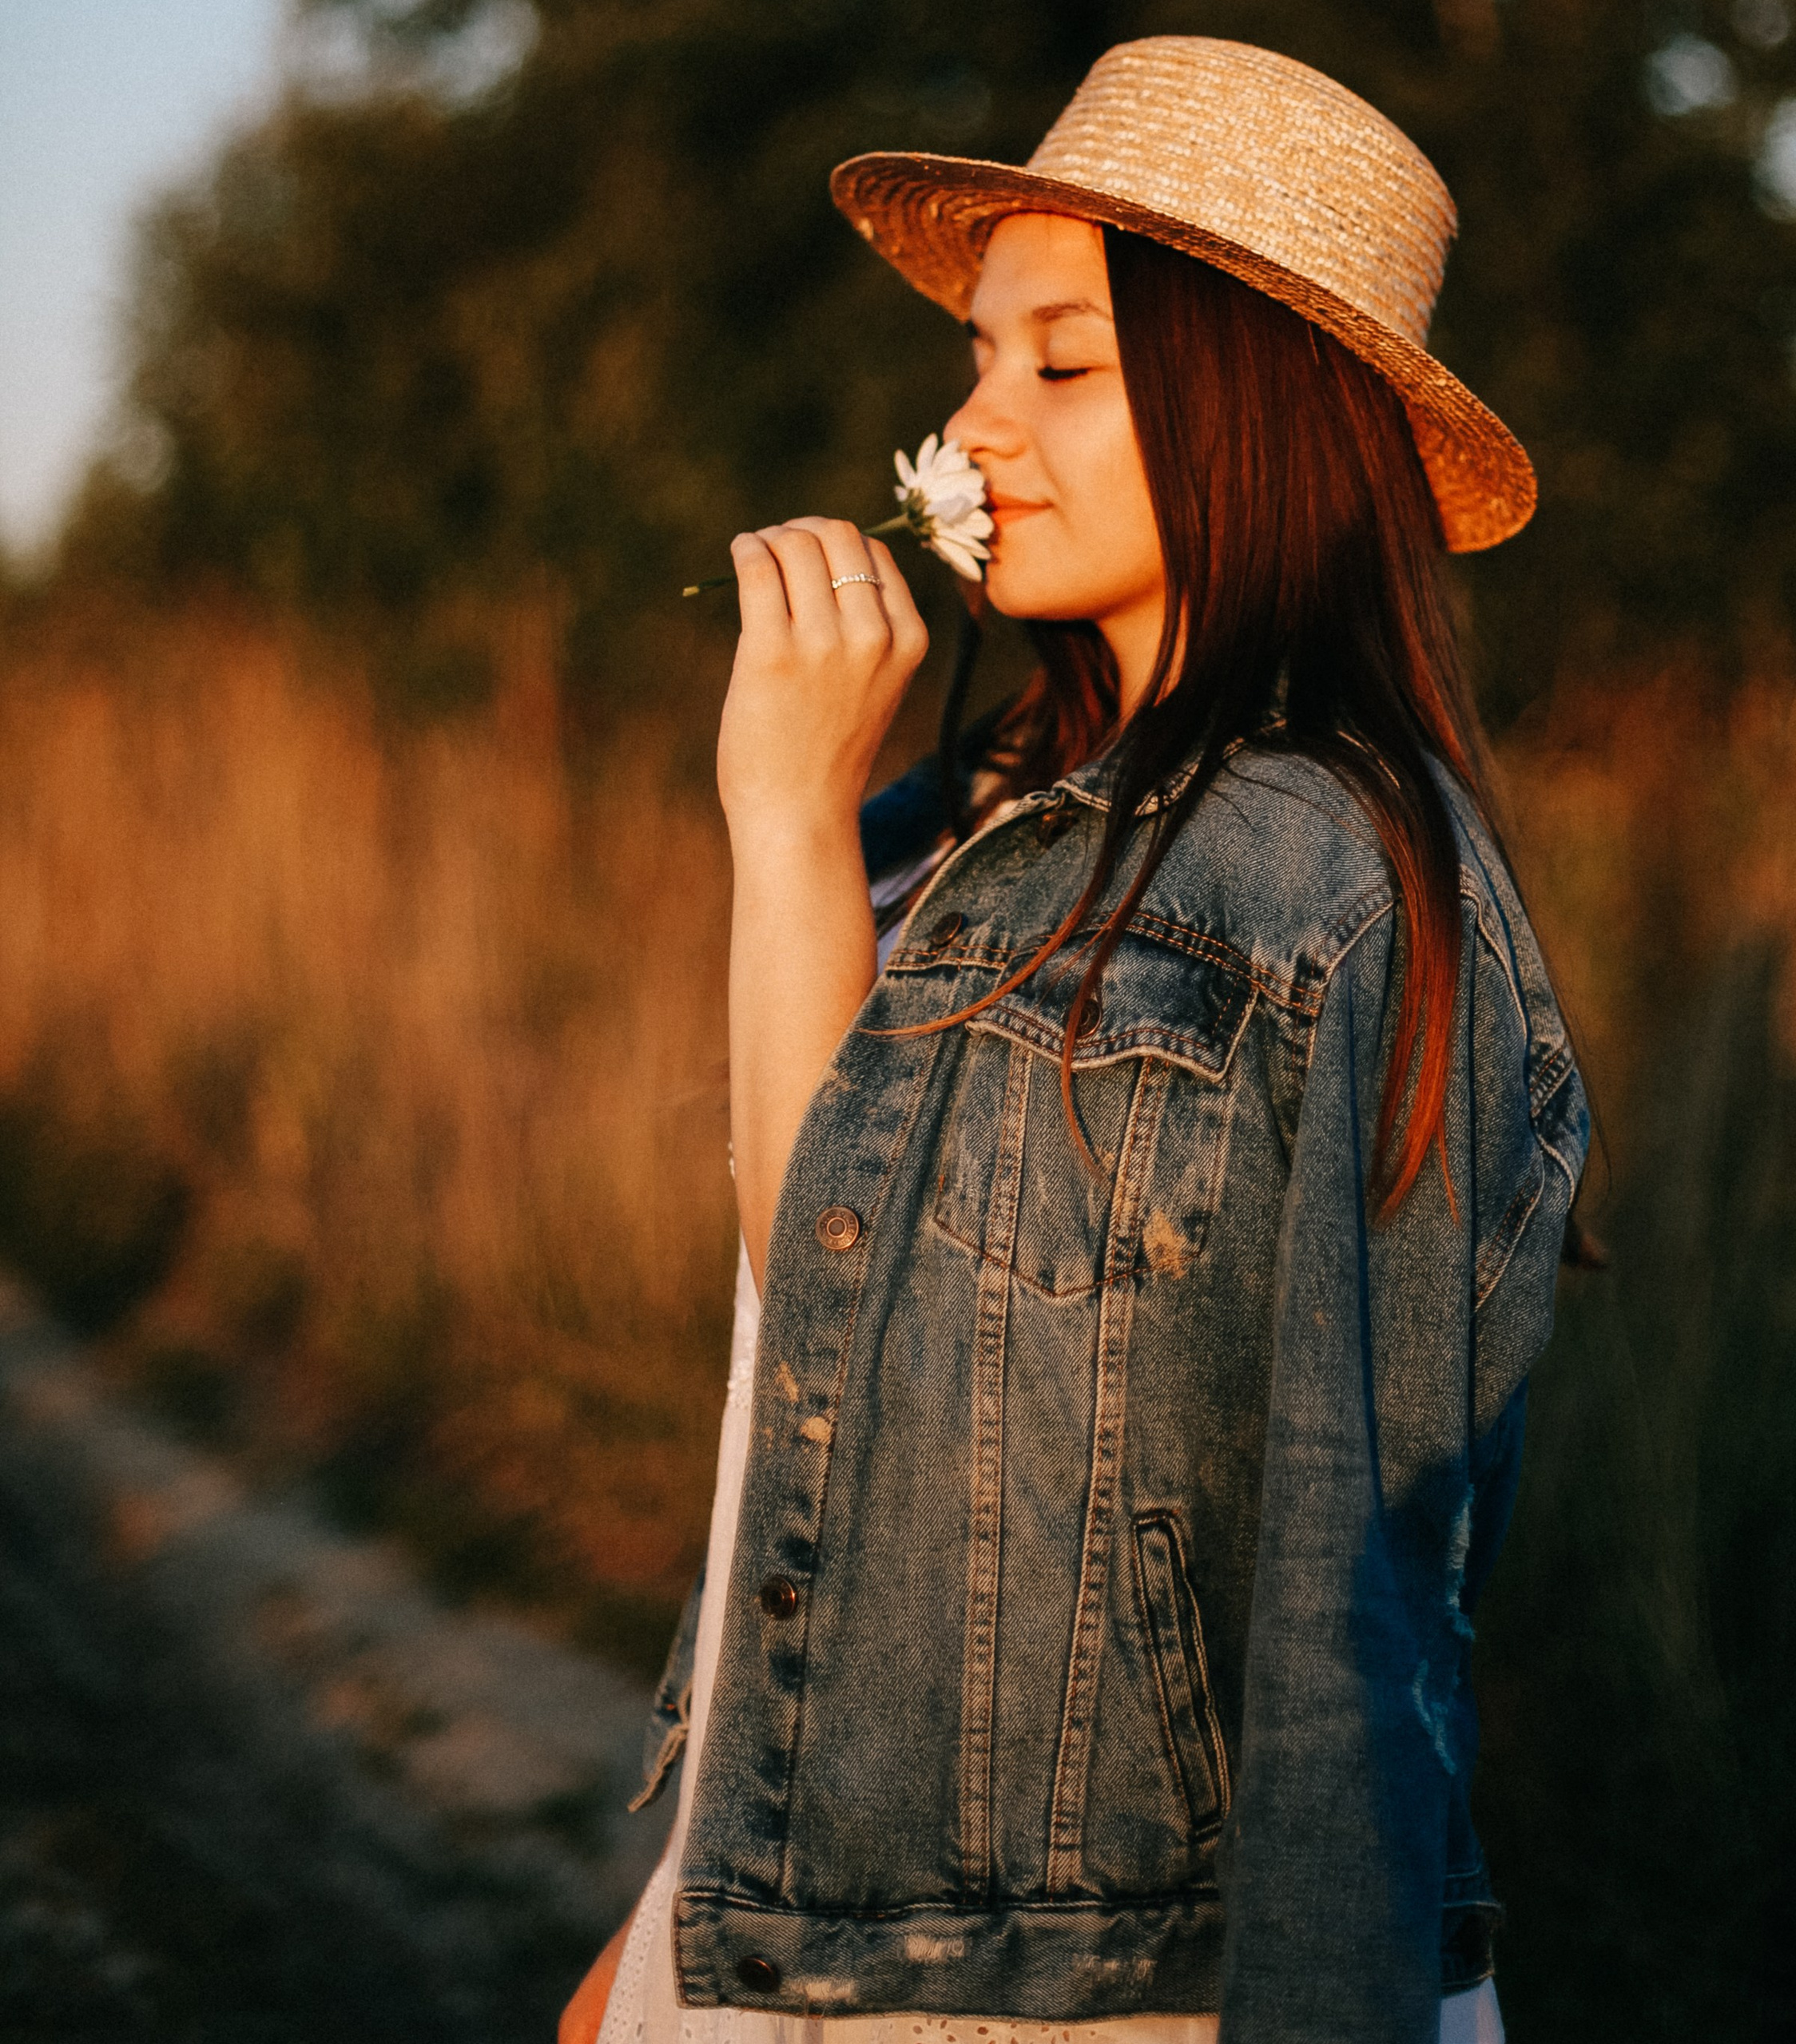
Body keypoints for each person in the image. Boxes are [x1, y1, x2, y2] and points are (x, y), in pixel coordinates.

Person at [563, 35, 1587, 2044]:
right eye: (972, 355)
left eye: (1058, 359)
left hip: (1103, 1994)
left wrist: (773, 819)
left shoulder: (1332, 873)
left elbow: (1347, 1592)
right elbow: (829, 1393)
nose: (968, 423)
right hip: (819, 1924)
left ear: (1247, 404)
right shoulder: (943, 825)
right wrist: (686, 1902)